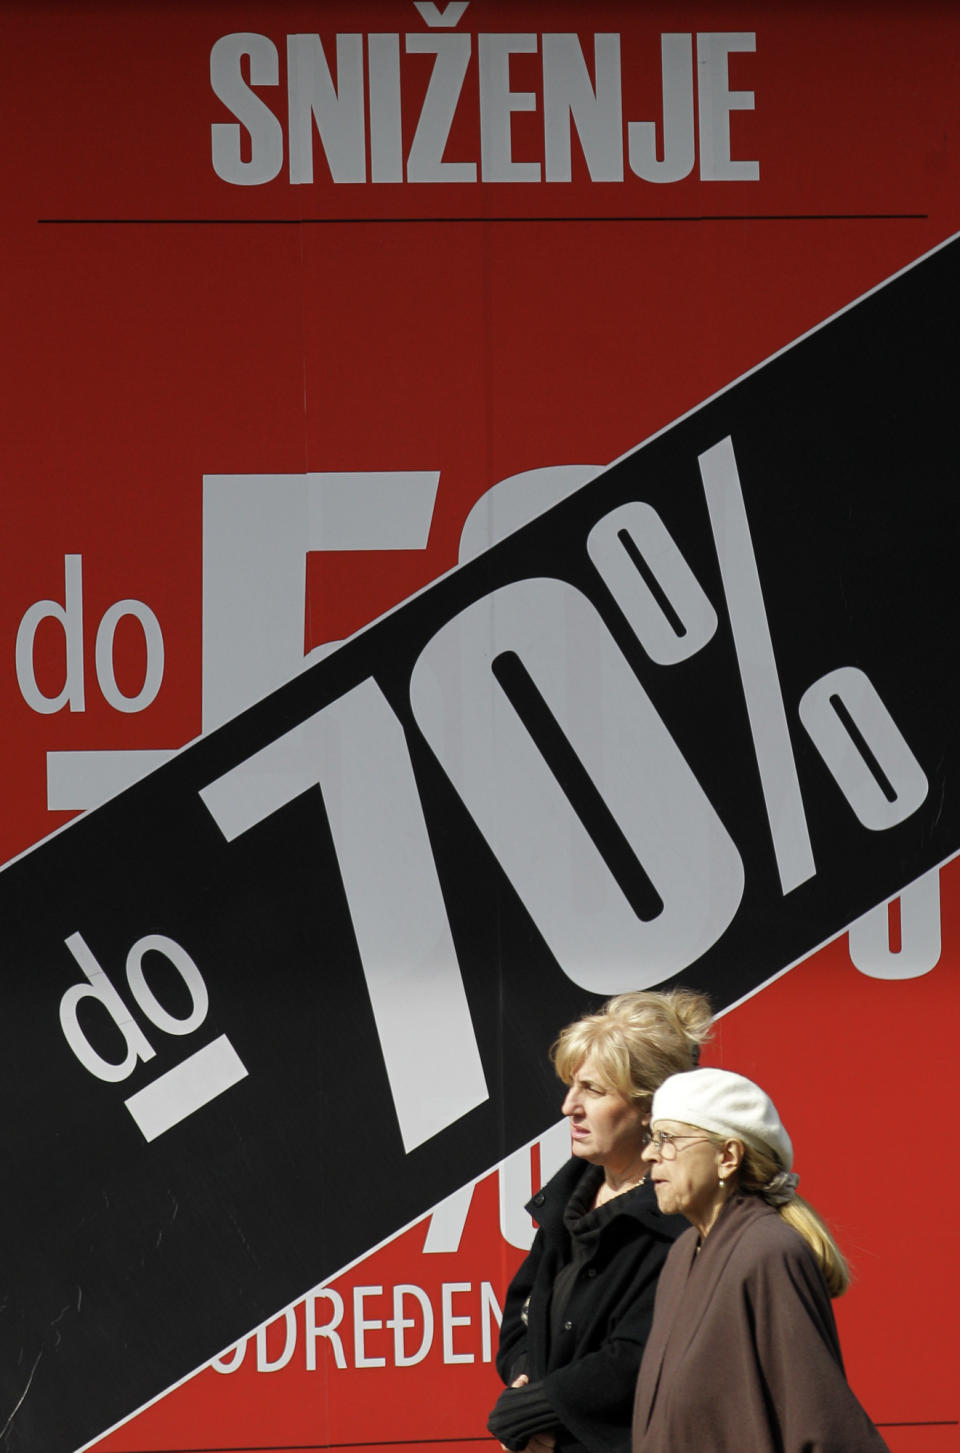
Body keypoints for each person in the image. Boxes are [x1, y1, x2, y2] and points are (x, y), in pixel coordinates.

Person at [488, 989, 713, 1453]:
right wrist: (524, 1384)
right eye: (572, 1086)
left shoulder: (678, 1216)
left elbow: (642, 1355)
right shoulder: (568, 1203)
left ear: (649, 1107)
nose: (569, 1106)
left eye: (592, 1089)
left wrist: (541, 1407)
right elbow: (520, 1318)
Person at [632, 1067, 890, 1452]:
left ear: (727, 1156)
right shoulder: (683, 1254)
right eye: (652, 1138)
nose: (649, 1153)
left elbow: (823, 1427)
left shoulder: (767, 1252)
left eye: (667, 1138)